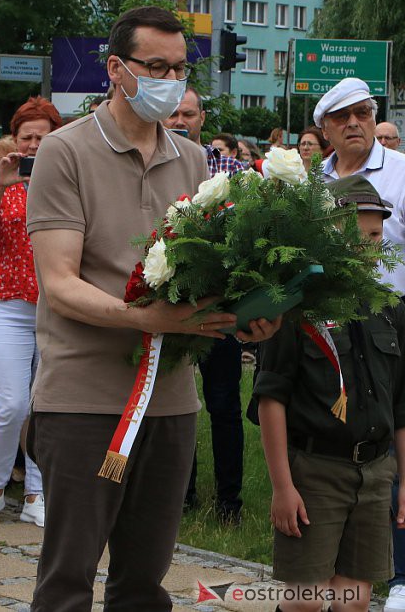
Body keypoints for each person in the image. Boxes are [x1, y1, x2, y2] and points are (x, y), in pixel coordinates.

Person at [25, 5, 280, 611]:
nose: (171, 80)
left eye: (180, 69)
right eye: (156, 67)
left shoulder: (192, 158)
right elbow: (58, 282)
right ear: (116, 69)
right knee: (67, 580)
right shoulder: (65, 151)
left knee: (143, 583)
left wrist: (246, 318)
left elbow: (203, 277)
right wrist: (145, 319)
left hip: (169, 399)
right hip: (83, 398)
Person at [255, 174, 405, 612]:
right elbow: (270, 399)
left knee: (354, 600)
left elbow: (404, 402)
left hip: (374, 472)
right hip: (315, 473)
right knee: (306, 600)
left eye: (378, 235)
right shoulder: (296, 308)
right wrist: (282, 486)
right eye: (363, 235)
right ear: (332, 233)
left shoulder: (392, 310)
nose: (374, 246)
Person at [315, 77, 405, 612]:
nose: (354, 124)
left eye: (363, 113)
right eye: (342, 117)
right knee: (342, 447)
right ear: (323, 129)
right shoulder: (314, 181)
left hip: (394, 319)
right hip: (332, 325)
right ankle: (341, 566)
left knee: (396, 444)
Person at [0, 98, 61, 528]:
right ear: (15, 139)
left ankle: (37, 492)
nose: (36, 144)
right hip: (8, 304)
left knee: (44, 406)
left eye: (44, 136)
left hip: (57, 307)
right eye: (28, 137)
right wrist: (2, 185)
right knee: (10, 405)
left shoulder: (69, 177)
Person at [164, 88, 247, 521]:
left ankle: (229, 502)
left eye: (189, 113)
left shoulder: (232, 168)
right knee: (177, 404)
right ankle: (183, 494)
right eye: (173, 113)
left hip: (220, 302)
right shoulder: (153, 164)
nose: (180, 120)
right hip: (167, 303)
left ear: (202, 118)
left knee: (223, 404)